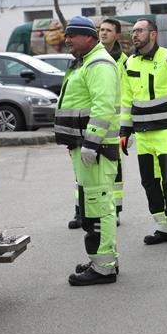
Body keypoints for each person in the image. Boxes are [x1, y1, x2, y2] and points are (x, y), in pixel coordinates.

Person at [54, 16, 121, 285]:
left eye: (73, 35)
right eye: (66, 34)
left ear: (89, 38)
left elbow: (103, 108)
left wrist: (91, 144)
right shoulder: (85, 63)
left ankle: (103, 267)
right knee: (93, 206)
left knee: (97, 208)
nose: (67, 39)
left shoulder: (99, 64)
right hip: (86, 148)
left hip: (95, 149)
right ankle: (103, 260)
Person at [119, 18, 167, 250]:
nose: (135, 35)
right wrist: (124, 130)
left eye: (140, 31)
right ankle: (162, 227)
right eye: (133, 31)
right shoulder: (128, 64)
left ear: (153, 34)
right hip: (143, 135)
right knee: (150, 183)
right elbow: (126, 100)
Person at [68, 18, 128, 229]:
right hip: (91, 135)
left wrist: (128, 128)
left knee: (106, 186)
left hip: (105, 134)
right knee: (88, 186)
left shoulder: (114, 62)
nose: (103, 33)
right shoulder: (83, 59)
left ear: (116, 35)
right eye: (101, 29)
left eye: (108, 30)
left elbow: (121, 99)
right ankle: (81, 211)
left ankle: (113, 211)